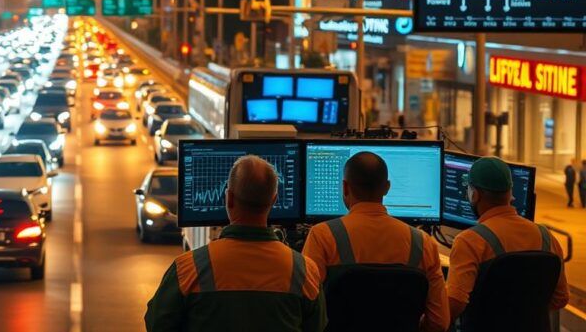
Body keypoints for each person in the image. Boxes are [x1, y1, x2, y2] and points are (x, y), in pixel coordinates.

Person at [144, 156, 326, 332]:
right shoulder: (305, 272)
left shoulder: (187, 269)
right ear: (274, 200)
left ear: (229, 198)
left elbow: (157, 324)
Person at [302, 152, 448, 332]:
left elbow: (306, 311)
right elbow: (440, 322)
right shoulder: (423, 243)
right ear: (387, 187)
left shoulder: (322, 236)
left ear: (345, 187)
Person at [446, 156, 569, 324]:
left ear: (474, 195)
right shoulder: (546, 237)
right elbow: (561, 298)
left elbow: (454, 305)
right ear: (510, 194)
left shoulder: (469, 241)